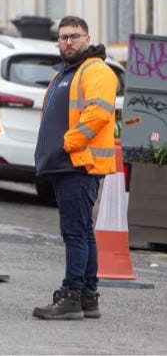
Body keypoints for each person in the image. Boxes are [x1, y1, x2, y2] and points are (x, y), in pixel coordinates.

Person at [32, 16, 118, 320]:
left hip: (80, 164)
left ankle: (71, 296)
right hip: (66, 165)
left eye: (75, 36)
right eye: (64, 36)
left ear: (87, 38)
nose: (68, 41)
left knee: (75, 233)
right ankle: (87, 296)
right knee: (82, 231)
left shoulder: (96, 70)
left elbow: (97, 114)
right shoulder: (66, 73)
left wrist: (68, 144)